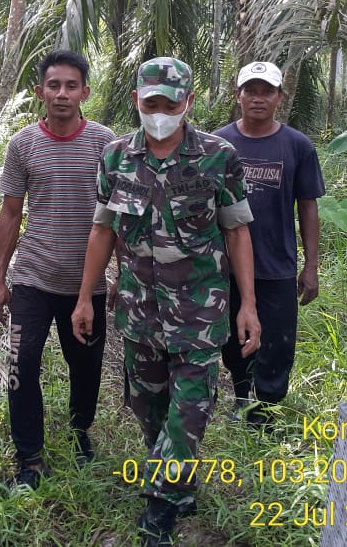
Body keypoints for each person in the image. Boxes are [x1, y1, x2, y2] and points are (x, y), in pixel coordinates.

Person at [71, 57, 260, 547]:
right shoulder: (115, 158)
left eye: (170, 105)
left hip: (201, 312)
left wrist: (248, 305)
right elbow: (102, 230)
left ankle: (161, 503)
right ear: (136, 100)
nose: (159, 113)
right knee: (146, 404)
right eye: (151, 103)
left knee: (190, 408)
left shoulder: (218, 156)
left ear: (188, 103)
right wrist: (85, 297)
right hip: (139, 311)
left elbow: (237, 232)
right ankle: (180, 481)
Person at [0, 50, 116, 493]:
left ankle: (80, 433)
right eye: (53, 85)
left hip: (87, 283)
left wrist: (117, 273)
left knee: (86, 366)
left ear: (85, 91)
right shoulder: (22, 144)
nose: (62, 94)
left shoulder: (105, 143)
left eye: (71, 86)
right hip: (33, 278)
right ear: (40, 91)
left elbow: (116, 215)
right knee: (20, 364)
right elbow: (10, 213)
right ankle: (29, 458)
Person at [214, 61, 325, 427]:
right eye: (251, 91)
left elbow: (308, 206)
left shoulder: (297, 145)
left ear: (280, 97)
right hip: (225, 265)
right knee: (233, 340)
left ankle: (266, 412)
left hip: (276, 264)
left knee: (277, 342)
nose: (258, 99)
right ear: (238, 95)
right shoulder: (218, 143)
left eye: (267, 92)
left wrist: (311, 266)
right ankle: (241, 397)